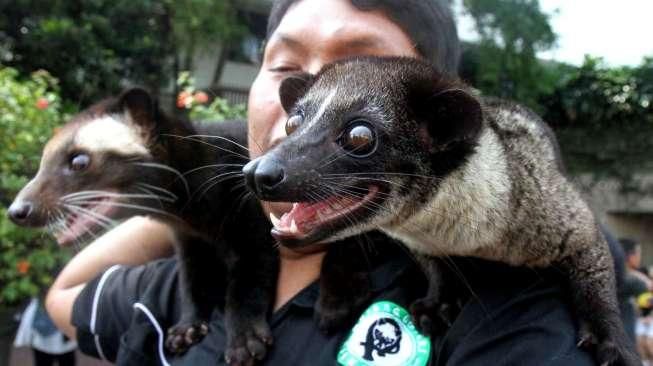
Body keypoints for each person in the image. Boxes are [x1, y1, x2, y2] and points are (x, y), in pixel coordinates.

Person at [46, 0, 596, 364]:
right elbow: (63, 298)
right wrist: (179, 208)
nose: (307, 108)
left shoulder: (485, 306)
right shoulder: (185, 284)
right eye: (286, 69)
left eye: (362, 68)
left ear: (435, 126)